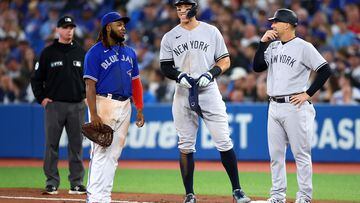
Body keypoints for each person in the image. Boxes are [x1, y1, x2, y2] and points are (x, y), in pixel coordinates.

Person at [159, 1, 251, 202]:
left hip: (208, 90)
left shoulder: (211, 31)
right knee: (185, 144)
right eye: (178, 7)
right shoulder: (170, 36)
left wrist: (211, 74)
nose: (181, 10)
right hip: (183, 91)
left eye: (185, 6)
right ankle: (189, 194)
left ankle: (237, 190)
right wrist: (178, 75)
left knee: (223, 140)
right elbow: (165, 66)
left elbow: (225, 60)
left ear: (194, 8)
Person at [253, 8, 332, 203]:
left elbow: (325, 70)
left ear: (287, 24)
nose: (272, 25)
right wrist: (262, 44)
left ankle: (304, 197)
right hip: (273, 105)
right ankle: (277, 196)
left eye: (276, 22)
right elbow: (257, 67)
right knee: (276, 156)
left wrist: (308, 93)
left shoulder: (304, 47)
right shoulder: (272, 46)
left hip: (295, 106)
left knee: (301, 154)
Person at [83, 12, 145, 203]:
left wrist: (139, 108)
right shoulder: (94, 53)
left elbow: (135, 82)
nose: (123, 28)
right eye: (119, 25)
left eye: (124, 25)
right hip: (104, 103)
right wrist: (93, 113)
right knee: (100, 151)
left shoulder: (130, 53)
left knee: (114, 155)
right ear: (108, 27)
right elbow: (89, 85)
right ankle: (93, 197)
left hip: (125, 105)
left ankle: (104, 196)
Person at [31, 16, 86, 195]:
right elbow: (36, 79)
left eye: (71, 27)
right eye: (65, 27)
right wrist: (41, 98)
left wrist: (86, 97)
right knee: (51, 145)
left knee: (76, 146)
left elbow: (89, 79)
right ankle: (52, 182)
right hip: (55, 106)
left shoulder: (81, 52)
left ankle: (76, 183)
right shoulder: (48, 53)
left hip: (77, 105)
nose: (69, 30)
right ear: (57, 30)